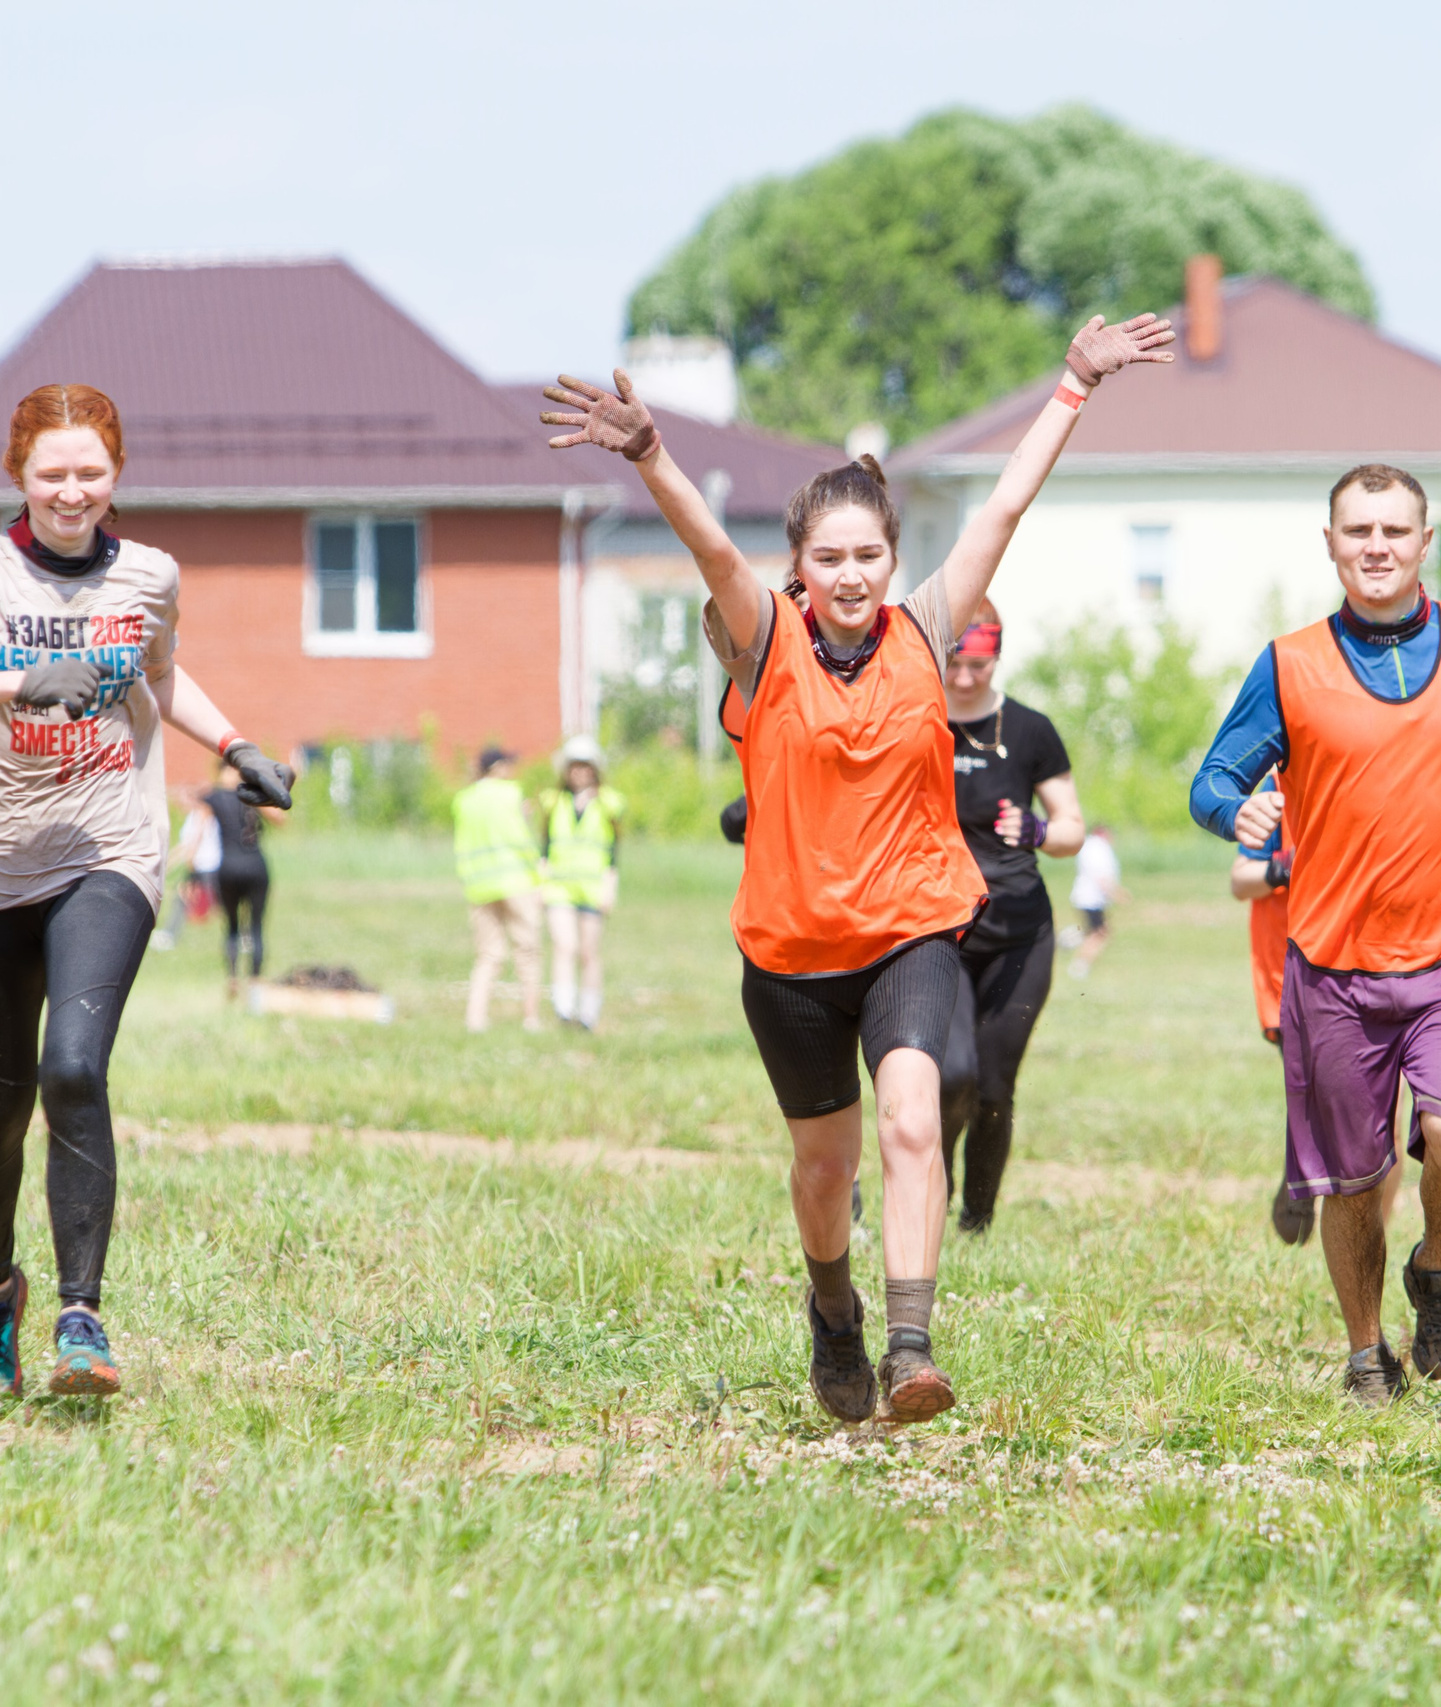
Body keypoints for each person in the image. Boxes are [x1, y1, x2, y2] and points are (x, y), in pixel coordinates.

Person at [543, 304, 1174, 1424]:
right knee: (825, 1170)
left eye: (867, 555)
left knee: (914, 1122)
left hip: (909, 929)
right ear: (798, 564)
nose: (848, 575)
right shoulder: (760, 639)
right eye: (827, 558)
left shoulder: (925, 632)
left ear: (892, 558)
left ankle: (910, 1346)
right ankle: (830, 1306)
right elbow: (709, 547)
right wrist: (651, 454)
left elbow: (1005, 509)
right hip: (788, 952)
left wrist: (1074, 383)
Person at [0, 382, 294, 1400]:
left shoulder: (148, 575)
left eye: (89, 473)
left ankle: (81, 1319)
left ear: (117, 475)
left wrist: (236, 746)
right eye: (50, 474)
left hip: (108, 849)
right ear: (18, 476)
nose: (69, 492)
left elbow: (158, 673)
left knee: (73, 1071)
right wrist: (12, 684)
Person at [1191, 463, 1441, 1408]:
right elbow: (1213, 780)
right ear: (1330, 543)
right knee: (1351, 1178)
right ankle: (1367, 1350)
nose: (1376, 546)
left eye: (1394, 531)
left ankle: (1437, 1268)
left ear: (1424, 542)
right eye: (1357, 530)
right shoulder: (1289, 663)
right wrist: (1235, 813)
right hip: (1331, 964)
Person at [936, 596, 1083, 1232]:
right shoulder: (913, 722)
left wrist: (1037, 829)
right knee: (950, 1078)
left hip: (1020, 935)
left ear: (997, 655)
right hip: (937, 932)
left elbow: (1073, 830)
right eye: (954, 663)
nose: (965, 677)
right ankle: (926, 1207)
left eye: (979, 664)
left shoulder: (1029, 729)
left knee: (994, 1087)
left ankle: (977, 1220)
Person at [1230, 809, 1399, 1249]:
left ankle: (1370, 1244)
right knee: (1340, 1110)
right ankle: (1306, 1162)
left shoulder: (1377, 777)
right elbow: (1241, 880)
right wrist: (1286, 868)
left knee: (1387, 1125)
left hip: (1374, 968)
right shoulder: (1277, 795)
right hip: (1296, 981)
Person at [453, 745, 544, 1033]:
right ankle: (531, 1018)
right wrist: (538, 872)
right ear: (497, 768)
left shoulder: (463, 800)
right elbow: (520, 839)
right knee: (527, 951)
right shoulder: (511, 795)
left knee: (488, 955)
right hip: (515, 881)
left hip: (479, 885)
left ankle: (475, 1019)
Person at [541, 734, 626, 1030]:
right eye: (573, 766)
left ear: (594, 769)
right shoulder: (552, 803)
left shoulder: (608, 804)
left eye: (584, 765)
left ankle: (588, 1013)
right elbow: (545, 847)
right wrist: (541, 882)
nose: (579, 772)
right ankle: (564, 1009)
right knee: (564, 947)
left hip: (593, 888)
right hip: (559, 887)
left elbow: (614, 852)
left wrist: (609, 888)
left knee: (589, 952)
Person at [205, 762, 281, 998]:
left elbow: (197, 828)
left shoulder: (214, 798)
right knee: (256, 927)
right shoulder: (251, 796)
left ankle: (233, 978)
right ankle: (256, 981)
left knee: (232, 927)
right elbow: (279, 818)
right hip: (256, 866)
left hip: (227, 868)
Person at [154, 783, 219, 952]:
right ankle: (169, 934)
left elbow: (194, 842)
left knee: (212, 905)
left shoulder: (203, 814)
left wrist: (189, 862)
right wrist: (165, 863)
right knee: (183, 899)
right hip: (199, 866)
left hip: (207, 866)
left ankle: (170, 935)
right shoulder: (193, 816)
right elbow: (184, 845)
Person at [1065, 823, 1125, 978]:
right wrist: (1116, 893)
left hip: (1085, 896)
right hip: (1092, 898)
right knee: (1100, 933)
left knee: (1094, 931)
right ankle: (1079, 966)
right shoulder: (1100, 849)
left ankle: (1069, 938)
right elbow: (1101, 876)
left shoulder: (1088, 846)